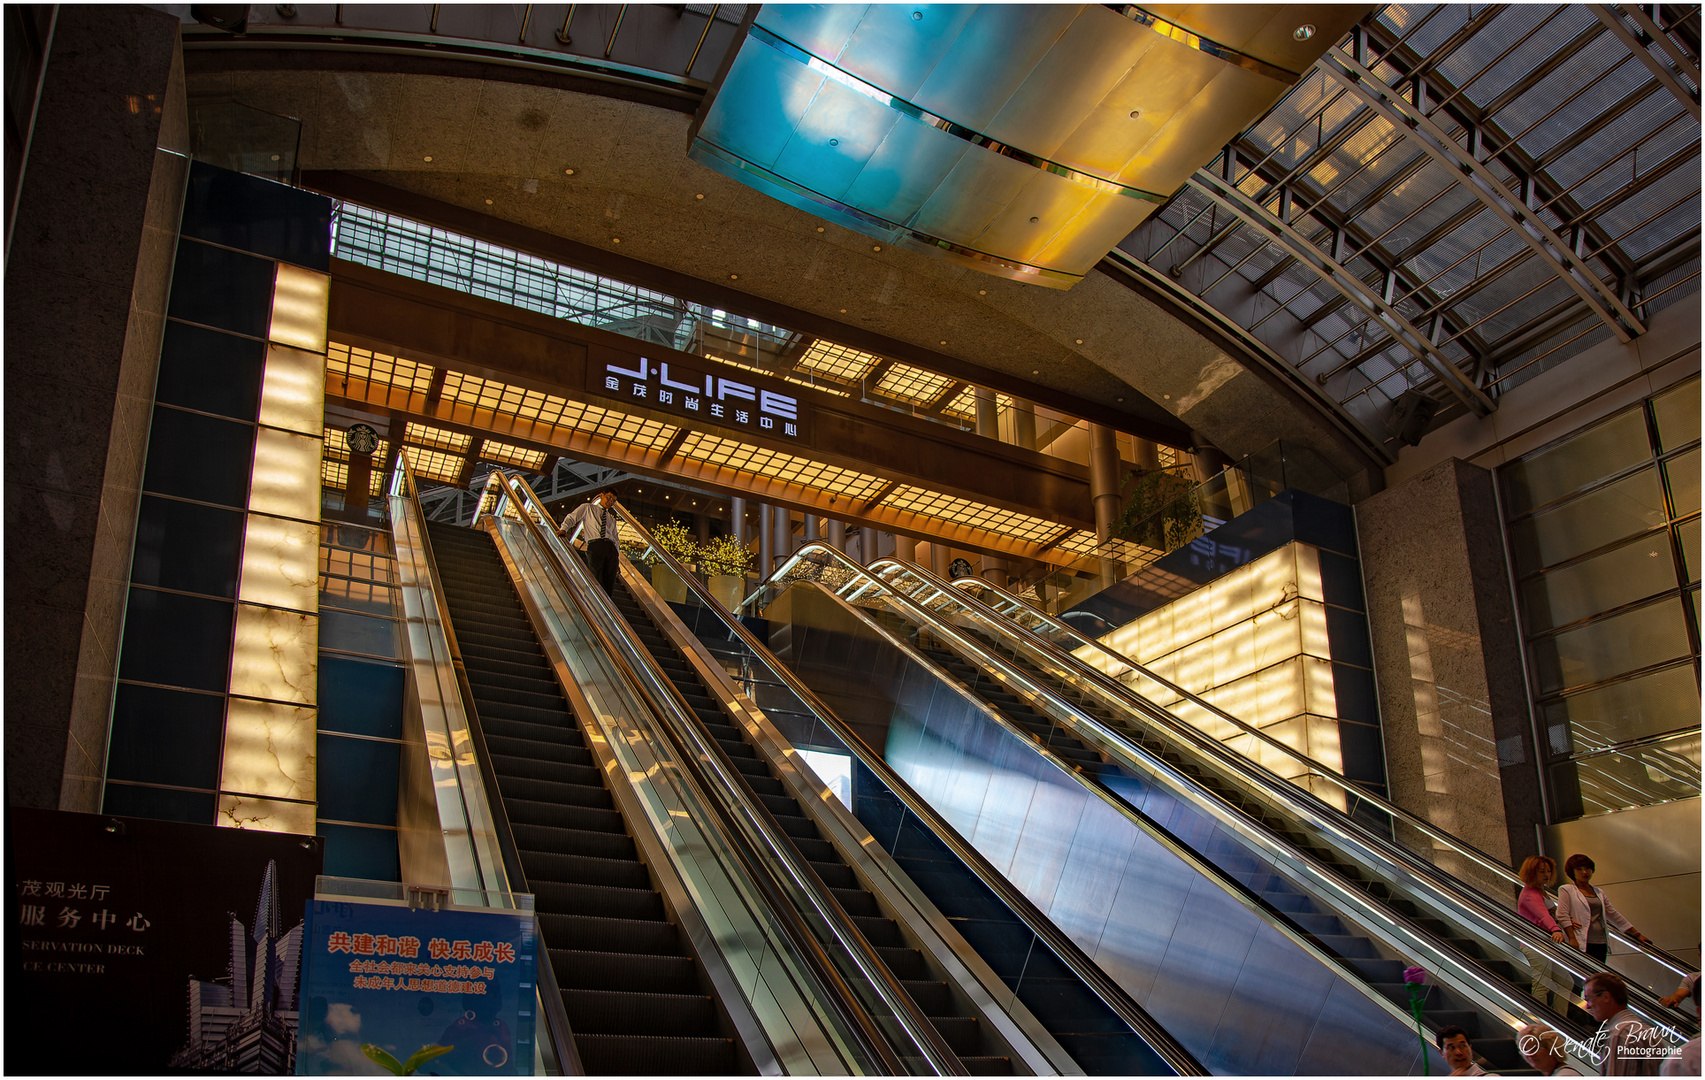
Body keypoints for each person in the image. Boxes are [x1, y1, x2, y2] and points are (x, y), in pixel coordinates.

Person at [1557, 854, 1652, 962]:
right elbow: (1562, 915)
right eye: (1579, 869)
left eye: (1587, 868)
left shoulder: (1598, 892)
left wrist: (1636, 934)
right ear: (1572, 872)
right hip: (1580, 940)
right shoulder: (1566, 889)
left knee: (1598, 975)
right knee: (1583, 975)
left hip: (1600, 941)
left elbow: (1612, 913)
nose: (1584, 872)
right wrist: (1572, 938)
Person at [1585, 971, 1664, 1076]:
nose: (1587, 1006)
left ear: (1606, 997)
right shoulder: (1648, 1031)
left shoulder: (1620, 1036)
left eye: (1589, 999)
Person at [1517, 855, 1570, 1009]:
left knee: (1565, 982)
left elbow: (1550, 914)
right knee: (1542, 984)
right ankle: (1542, 1023)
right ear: (1531, 873)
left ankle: (1561, 1020)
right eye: (1542, 872)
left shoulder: (1540, 891)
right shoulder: (1529, 894)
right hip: (1535, 944)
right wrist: (1555, 929)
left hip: (1546, 944)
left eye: (1548, 871)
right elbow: (1542, 915)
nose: (1547, 875)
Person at [560, 491, 621, 594]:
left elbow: (616, 539)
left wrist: (617, 559)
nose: (610, 501)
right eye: (609, 497)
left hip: (611, 549)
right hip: (595, 544)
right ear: (601, 495)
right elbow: (572, 517)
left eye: (613, 500)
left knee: (609, 581)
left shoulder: (611, 519)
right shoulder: (588, 508)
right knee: (596, 576)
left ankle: (607, 606)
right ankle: (596, 602)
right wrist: (564, 529)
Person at [1518, 1024, 1584, 1075]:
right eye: (1525, 1050)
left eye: (1536, 1048)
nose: (1529, 1054)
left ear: (1552, 1048)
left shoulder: (1566, 1075)